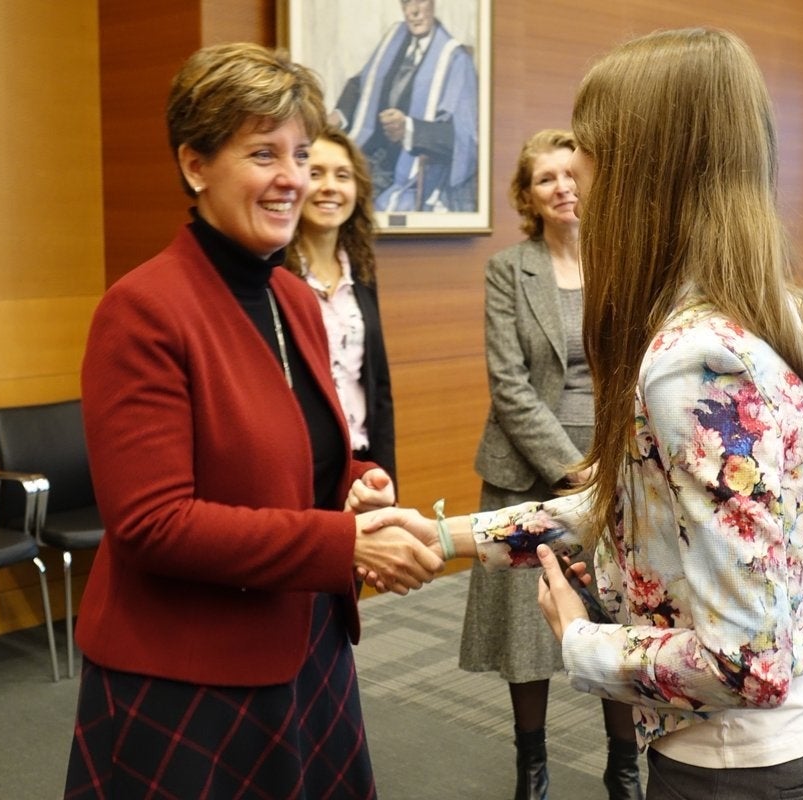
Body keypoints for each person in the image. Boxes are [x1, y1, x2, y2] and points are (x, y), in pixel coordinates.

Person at [362, 28, 803, 800]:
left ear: (641, 170)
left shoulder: (694, 362)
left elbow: (741, 666)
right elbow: (634, 504)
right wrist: (447, 536)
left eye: (587, 150)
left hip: (736, 769)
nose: (576, 178)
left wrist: (582, 641)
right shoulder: (767, 312)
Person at [63, 43, 442, 799]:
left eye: (300, 154)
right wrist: (345, 543)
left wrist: (357, 487)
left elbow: (302, 458)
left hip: (306, 649)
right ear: (195, 166)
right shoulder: (143, 310)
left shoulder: (292, 298)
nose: (292, 178)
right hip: (190, 676)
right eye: (263, 152)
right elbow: (152, 523)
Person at [458, 128, 641, 800]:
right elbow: (508, 386)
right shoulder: (509, 269)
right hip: (527, 467)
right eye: (546, 179)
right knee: (524, 635)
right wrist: (570, 467)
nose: (563, 187)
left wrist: (613, 456)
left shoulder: (625, 261)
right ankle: (530, 768)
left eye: (571, 174)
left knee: (616, 615)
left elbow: (639, 366)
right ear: (527, 197)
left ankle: (625, 769)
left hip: (616, 456)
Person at [285, 128, 397, 482]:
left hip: (362, 465)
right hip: (300, 468)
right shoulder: (273, 274)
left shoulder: (362, 270)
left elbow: (377, 388)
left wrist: (387, 479)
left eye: (342, 175)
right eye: (315, 173)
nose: (330, 186)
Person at [331, 0, 478, 213]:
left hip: (407, 172)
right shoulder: (395, 38)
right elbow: (364, 82)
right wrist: (338, 114)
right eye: (408, 2)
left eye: (421, 1)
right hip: (369, 156)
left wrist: (409, 129)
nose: (414, 12)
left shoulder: (455, 60)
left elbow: (464, 139)